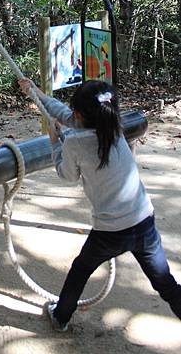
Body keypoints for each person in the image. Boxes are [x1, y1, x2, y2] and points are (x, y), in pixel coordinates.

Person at [19, 78, 181, 332]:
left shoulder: (74, 142)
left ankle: (60, 317)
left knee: (80, 269)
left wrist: (54, 142)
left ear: (82, 115)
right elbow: (66, 115)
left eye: (75, 111)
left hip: (110, 231)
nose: (71, 115)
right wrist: (35, 92)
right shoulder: (113, 124)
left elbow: (67, 175)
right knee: (164, 283)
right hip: (143, 222)